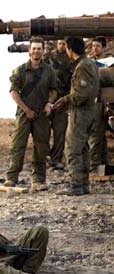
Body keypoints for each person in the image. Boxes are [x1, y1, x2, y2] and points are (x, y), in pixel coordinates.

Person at [4, 37, 57, 192]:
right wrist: (26, 110)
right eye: (34, 48)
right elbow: (13, 92)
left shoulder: (49, 70)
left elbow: (54, 90)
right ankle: (12, 178)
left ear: (43, 51)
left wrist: (49, 103)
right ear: (29, 51)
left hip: (41, 113)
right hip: (23, 112)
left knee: (41, 146)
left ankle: (38, 179)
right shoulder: (20, 70)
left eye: (39, 49)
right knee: (17, 145)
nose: (36, 51)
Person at [55, 37, 99, 195]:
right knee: (83, 149)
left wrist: (65, 100)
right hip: (89, 111)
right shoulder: (90, 64)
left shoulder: (82, 66)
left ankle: (76, 185)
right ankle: (84, 185)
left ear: (70, 49)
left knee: (72, 148)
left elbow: (81, 94)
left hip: (80, 112)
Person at [47, 39, 72, 170]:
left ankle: (56, 158)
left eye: (64, 44)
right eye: (60, 43)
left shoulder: (70, 59)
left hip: (62, 100)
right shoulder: (48, 56)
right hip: (47, 99)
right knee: (42, 131)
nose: (62, 46)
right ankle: (45, 156)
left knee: (60, 131)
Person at [89, 37, 109, 171]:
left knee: (99, 131)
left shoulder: (109, 62)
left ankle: (98, 162)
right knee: (97, 130)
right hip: (95, 100)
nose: (94, 48)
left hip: (107, 99)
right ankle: (99, 162)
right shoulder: (90, 63)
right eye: (93, 46)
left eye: (97, 46)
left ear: (103, 48)